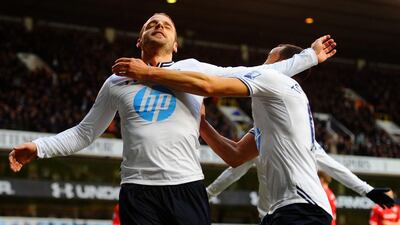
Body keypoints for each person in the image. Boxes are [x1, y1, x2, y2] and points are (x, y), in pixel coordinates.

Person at [9, 13, 330, 225]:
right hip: (137, 190)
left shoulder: (194, 69)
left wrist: (311, 56)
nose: (158, 25)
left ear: (175, 44)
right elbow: (84, 133)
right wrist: (38, 147)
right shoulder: (116, 82)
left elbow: (262, 74)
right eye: (151, 24)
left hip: (187, 188)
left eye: (166, 24)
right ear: (139, 41)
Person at [111, 37, 395, 225]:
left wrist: (148, 73)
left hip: (303, 208)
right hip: (281, 211)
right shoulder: (272, 116)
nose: (261, 65)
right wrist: (199, 123)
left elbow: (210, 85)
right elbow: (235, 156)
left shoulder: (275, 81)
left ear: (283, 66)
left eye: (269, 59)